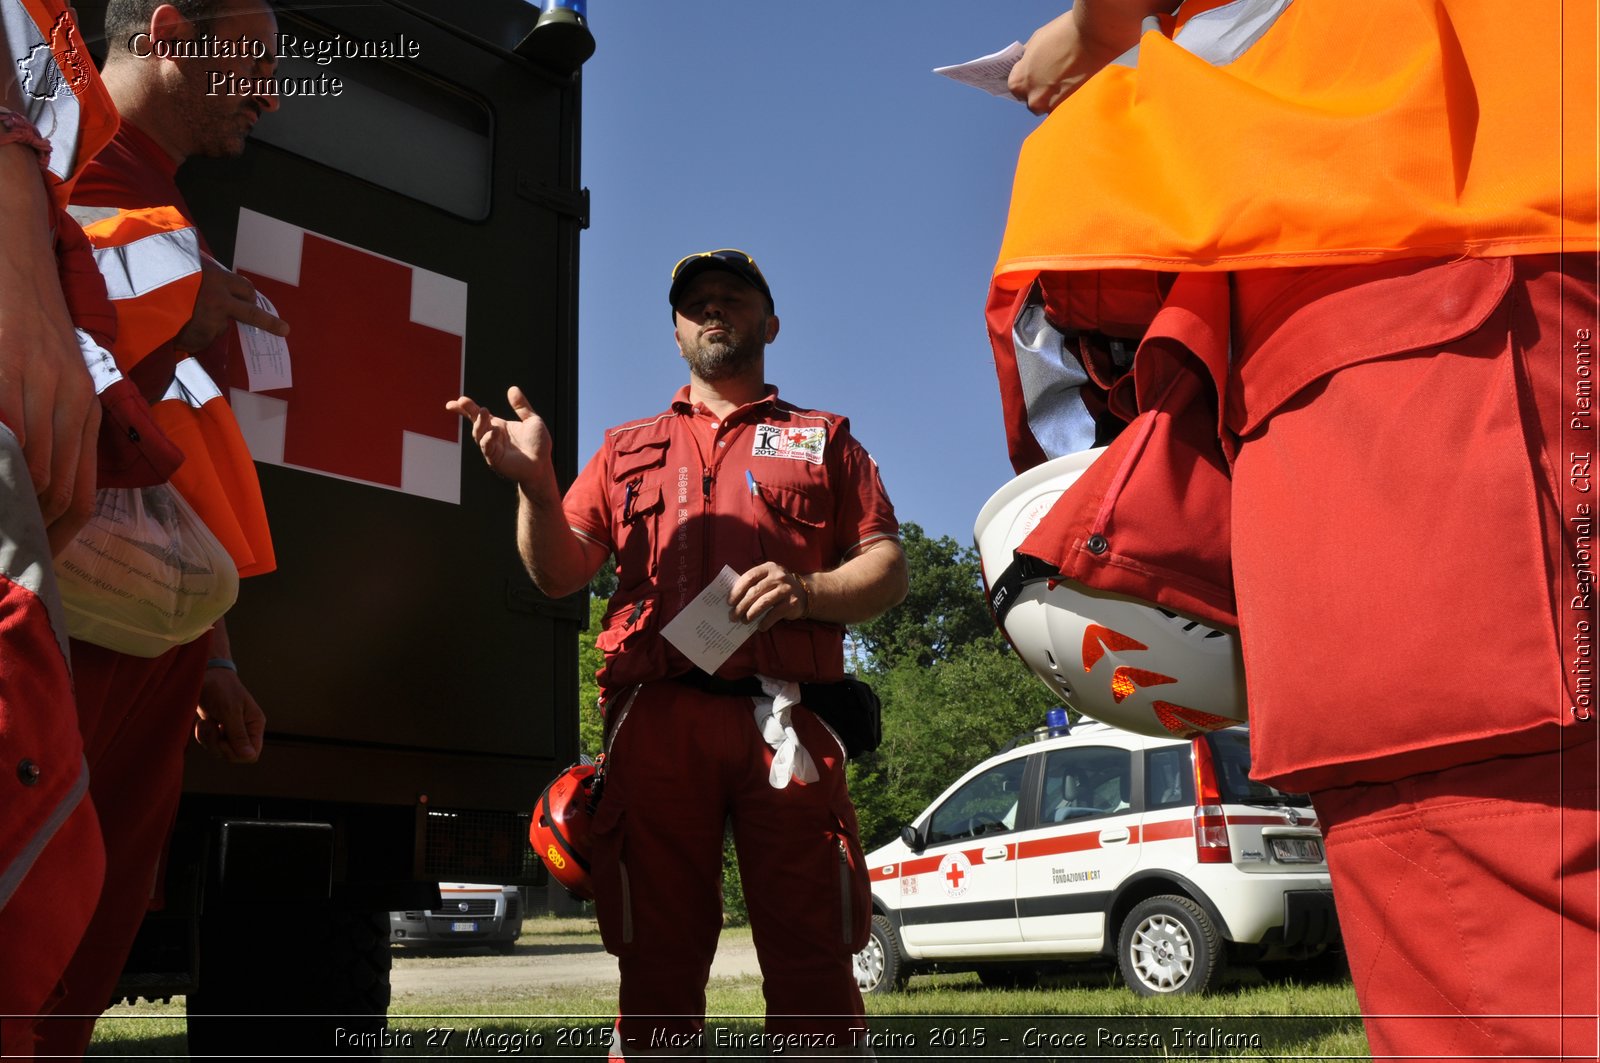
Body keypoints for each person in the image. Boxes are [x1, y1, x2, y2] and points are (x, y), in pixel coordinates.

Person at [991, 2, 1597, 1059]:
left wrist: (1093, 40)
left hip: (1426, 355)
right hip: (1506, 295)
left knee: (1495, 951)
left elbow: (1086, 296)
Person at [449, 248, 908, 1057]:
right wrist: (534, 483)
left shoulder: (824, 439)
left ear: (771, 322)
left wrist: (807, 592)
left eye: (734, 295)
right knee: (656, 960)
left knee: (814, 952)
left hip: (787, 722)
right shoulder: (628, 446)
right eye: (696, 301)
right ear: (675, 331)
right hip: (656, 723)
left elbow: (886, 567)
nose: (713, 308)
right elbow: (558, 571)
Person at [31, 2, 285, 1054]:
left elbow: (167, 438)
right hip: (53, 618)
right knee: (30, 903)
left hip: (146, 634)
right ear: (175, 31)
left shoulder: (167, 213)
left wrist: (212, 651)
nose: (271, 97)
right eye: (255, 66)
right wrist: (180, 305)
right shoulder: (49, 152)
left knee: (95, 917)